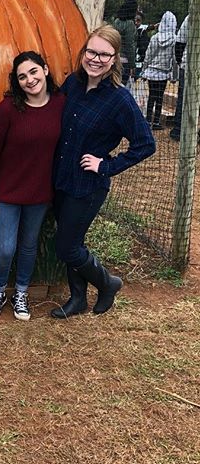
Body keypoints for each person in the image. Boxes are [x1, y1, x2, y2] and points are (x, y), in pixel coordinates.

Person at [51, 24, 155, 319]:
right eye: (91, 51)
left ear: (115, 60)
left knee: (67, 248)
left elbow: (145, 144)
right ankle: (78, 298)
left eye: (104, 55)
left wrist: (106, 165)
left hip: (88, 185)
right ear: (84, 52)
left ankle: (107, 283)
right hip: (60, 177)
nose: (96, 59)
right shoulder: (72, 83)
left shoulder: (119, 100)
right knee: (73, 240)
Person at [0, 52, 65, 321]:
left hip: (39, 193)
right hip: (7, 192)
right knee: (6, 248)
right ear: (17, 82)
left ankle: (21, 293)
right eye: (22, 77)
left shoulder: (61, 105)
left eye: (33, 72)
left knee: (28, 246)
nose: (30, 80)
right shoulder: (8, 110)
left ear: (46, 69)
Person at [142, 11, 177, 130]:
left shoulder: (155, 37)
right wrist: (174, 75)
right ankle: (156, 121)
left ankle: (147, 120)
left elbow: (148, 55)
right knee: (160, 97)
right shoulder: (174, 39)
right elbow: (174, 59)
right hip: (164, 72)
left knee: (151, 96)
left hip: (152, 72)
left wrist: (144, 69)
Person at [170, 14, 189, 141]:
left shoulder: (190, 17)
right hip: (188, 63)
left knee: (183, 97)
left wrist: (179, 61)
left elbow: (180, 42)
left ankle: (178, 129)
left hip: (188, 64)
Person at [113, 0, 138, 85]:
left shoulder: (116, 21)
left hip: (115, 57)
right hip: (125, 61)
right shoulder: (130, 24)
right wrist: (132, 64)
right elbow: (129, 45)